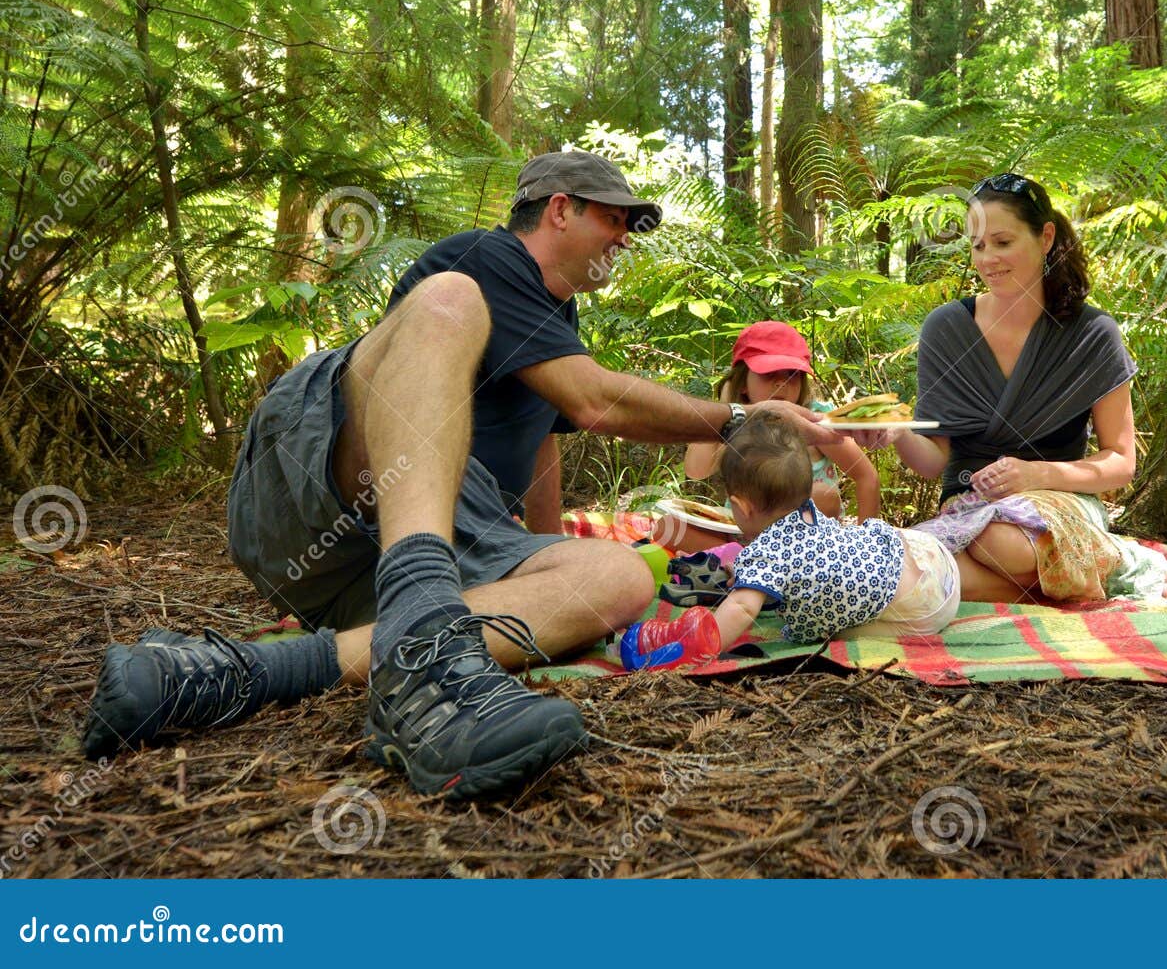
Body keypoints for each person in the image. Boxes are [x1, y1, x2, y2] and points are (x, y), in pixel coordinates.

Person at [82, 150, 837, 799]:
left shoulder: (557, 324)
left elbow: (546, 439)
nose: (625, 240)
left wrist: (548, 562)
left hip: (406, 552)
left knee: (618, 579)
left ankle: (243, 672)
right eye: (616, 219)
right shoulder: (486, 258)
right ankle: (420, 616)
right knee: (446, 301)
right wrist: (742, 420)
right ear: (560, 209)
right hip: (320, 477)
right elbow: (593, 400)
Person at [885, 172, 1167, 605]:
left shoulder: (1093, 333)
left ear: (1046, 237)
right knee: (907, 569)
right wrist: (896, 431)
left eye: (1002, 241)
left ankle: (1117, 565)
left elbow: (1121, 463)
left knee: (999, 544)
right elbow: (934, 461)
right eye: (977, 246)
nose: (987, 258)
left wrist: (1035, 474)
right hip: (967, 508)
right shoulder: (946, 327)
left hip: (1058, 502)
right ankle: (1106, 575)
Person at [621, 410, 959, 668]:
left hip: (923, 610)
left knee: (836, 631)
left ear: (740, 506)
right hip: (930, 557)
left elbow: (739, 609)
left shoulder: (766, 554)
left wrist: (700, 644)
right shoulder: (807, 510)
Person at [660, 321, 879, 554]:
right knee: (665, 527)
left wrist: (866, 546)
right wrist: (725, 408)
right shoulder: (735, 419)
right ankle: (746, 559)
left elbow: (866, 476)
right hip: (742, 530)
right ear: (742, 382)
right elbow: (696, 470)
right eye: (769, 373)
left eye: (792, 374)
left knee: (822, 496)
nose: (782, 382)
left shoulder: (814, 419)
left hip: (801, 538)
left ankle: (748, 561)